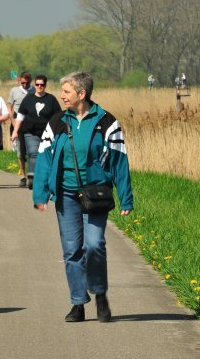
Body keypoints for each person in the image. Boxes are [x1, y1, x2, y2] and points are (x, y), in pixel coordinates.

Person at [32, 71, 133, 323]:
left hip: (95, 194)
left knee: (95, 244)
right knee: (71, 250)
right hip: (65, 195)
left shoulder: (107, 122)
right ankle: (78, 302)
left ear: (81, 94)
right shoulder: (57, 121)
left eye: (66, 92)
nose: (62, 96)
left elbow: (120, 161)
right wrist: (41, 192)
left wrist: (126, 198)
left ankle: (100, 294)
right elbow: (44, 158)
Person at [11, 75, 62, 189]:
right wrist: (15, 131)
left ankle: (44, 178)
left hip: (47, 133)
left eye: (42, 85)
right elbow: (20, 116)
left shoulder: (51, 99)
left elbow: (58, 116)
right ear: (34, 85)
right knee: (33, 152)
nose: (39, 87)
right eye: (37, 84)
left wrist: (59, 130)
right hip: (30, 131)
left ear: (45, 85)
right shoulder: (28, 98)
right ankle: (32, 176)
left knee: (45, 154)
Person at [7, 72, 33, 187]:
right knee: (20, 152)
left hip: (31, 123)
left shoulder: (34, 90)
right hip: (17, 123)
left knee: (32, 150)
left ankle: (32, 174)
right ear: (19, 81)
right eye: (23, 83)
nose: (25, 85)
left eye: (27, 83)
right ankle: (23, 176)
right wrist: (13, 122)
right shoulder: (14, 91)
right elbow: (9, 107)